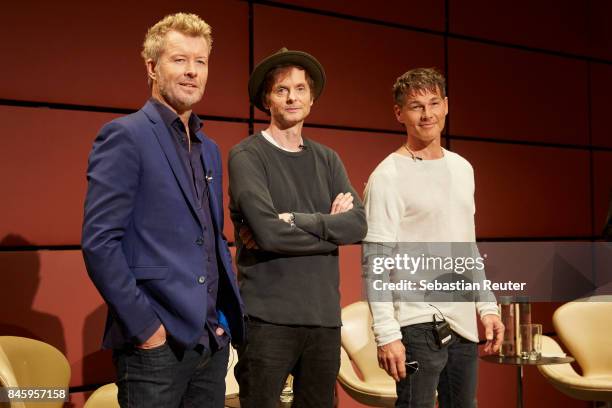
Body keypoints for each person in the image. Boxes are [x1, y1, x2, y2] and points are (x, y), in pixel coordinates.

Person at [81, 13, 244, 408]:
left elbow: (208, 235)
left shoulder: (209, 149)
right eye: (179, 60)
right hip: (155, 349)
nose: (192, 72)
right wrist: (147, 329)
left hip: (209, 343)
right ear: (152, 67)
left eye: (200, 62)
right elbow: (100, 243)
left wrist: (223, 320)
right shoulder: (126, 135)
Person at [228, 47, 367, 408]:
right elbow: (268, 233)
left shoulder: (327, 159)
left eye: (301, 88)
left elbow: (357, 225)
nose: (292, 97)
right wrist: (329, 230)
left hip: (323, 319)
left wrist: (298, 221)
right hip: (267, 320)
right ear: (266, 99)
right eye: (282, 90)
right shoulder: (248, 155)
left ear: (311, 98)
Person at [362, 68, 504, 408]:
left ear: (446, 106)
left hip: (464, 324)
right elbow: (375, 261)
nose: (427, 114)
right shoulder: (387, 176)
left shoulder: (462, 168)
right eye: (415, 106)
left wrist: (487, 306)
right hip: (417, 325)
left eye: (433, 103)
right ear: (399, 113)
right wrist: (386, 333)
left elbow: (467, 247)